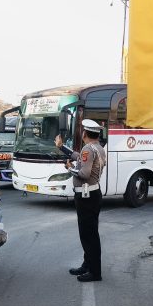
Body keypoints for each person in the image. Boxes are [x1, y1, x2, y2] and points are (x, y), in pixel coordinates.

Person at [54, 119, 107, 282]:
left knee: (88, 235)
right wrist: (62, 147)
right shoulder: (97, 147)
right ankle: (87, 265)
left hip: (86, 197)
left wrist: (70, 168)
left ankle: (95, 272)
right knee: (90, 234)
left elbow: (84, 173)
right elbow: (79, 157)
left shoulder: (88, 149)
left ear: (85, 133)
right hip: (92, 195)